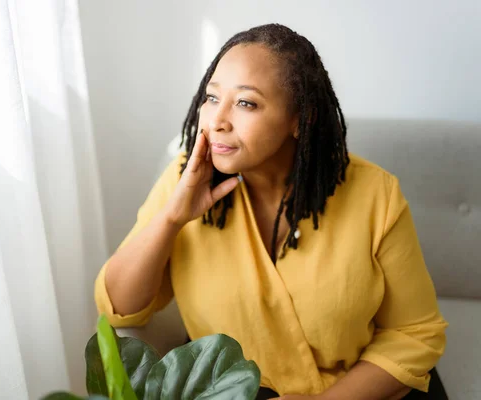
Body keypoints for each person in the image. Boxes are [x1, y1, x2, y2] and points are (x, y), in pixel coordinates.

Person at [94, 24, 448, 399]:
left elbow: (415, 333)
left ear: (301, 118)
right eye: (211, 98)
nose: (217, 121)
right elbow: (121, 309)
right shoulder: (187, 178)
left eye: (246, 103)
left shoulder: (376, 195)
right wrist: (171, 218)